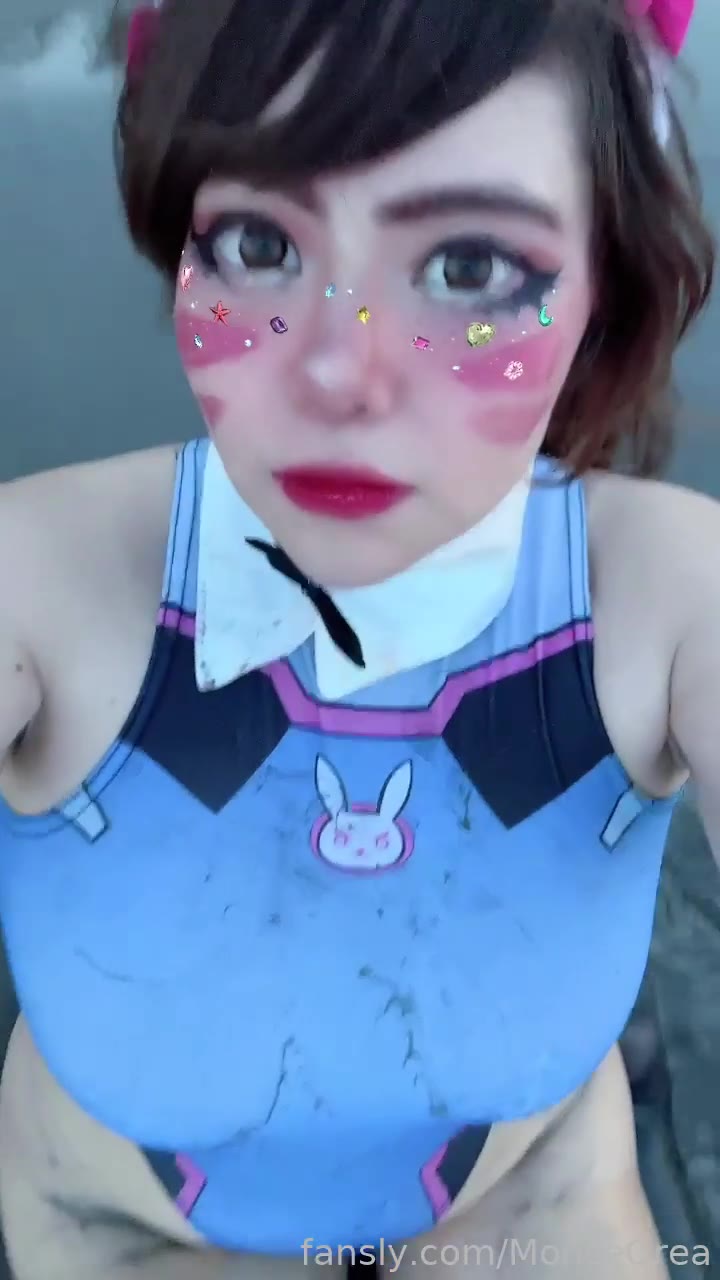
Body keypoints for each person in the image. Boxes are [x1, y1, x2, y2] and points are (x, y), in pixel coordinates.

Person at [0, 0, 716, 1276]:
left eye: (470, 267)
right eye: (259, 243)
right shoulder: (37, 583)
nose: (337, 370)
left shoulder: (672, 594)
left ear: (604, 282)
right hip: (121, 1227)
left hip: (523, 1210)